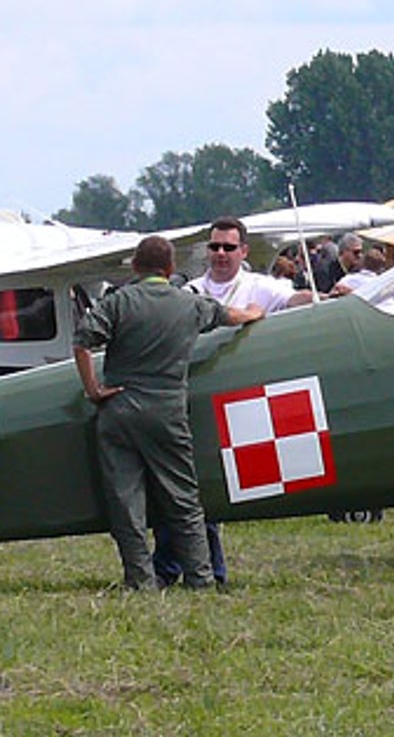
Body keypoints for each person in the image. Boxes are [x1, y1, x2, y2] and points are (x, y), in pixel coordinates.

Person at [73, 235, 263, 590]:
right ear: (171, 268)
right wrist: (254, 313)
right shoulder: (187, 304)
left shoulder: (118, 302)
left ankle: (140, 579)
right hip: (166, 411)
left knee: (125, 500)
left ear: (135, 267)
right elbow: (229, 315)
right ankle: (201, 579)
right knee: (183, 499)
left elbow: (82, 340)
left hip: (117, 408)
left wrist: (93, 389)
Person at [152, 216, 314, 587]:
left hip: (243, 405)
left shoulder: (261, 287)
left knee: (204, 487)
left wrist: (323, 294)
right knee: (185, 482)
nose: (221, 254)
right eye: (215, 247)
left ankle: (192, 568)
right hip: (194, 399)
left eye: (228, 247)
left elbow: (293, 300)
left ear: (243, 251)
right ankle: (177, 565)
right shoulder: (190, 291)